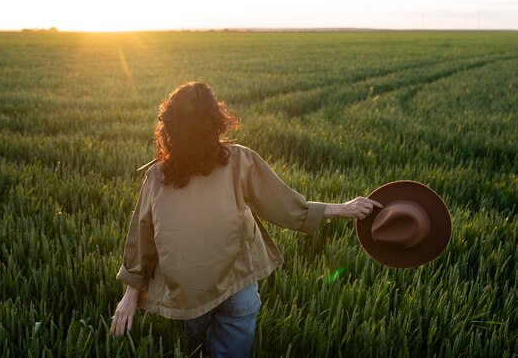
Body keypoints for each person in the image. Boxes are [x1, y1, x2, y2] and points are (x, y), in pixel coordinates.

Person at [110, 81, 382, 357]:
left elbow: (141, 237)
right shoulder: (239, 159)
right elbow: (284, 206)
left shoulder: (158, 175)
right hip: (237, 288)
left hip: (188, 296)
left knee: (197, 347)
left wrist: (130, 295)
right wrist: (339, 208)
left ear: (169, 126)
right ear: (216, 122)